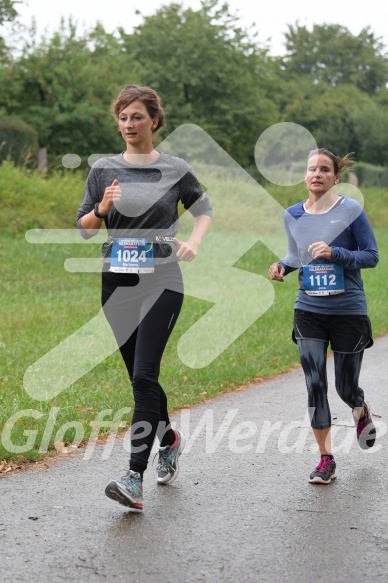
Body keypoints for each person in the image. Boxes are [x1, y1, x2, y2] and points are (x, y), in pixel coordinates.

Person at [77, 84, 212, 509]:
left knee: (142, 377)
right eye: (122, 117)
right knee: (143, 380)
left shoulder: (175, 168)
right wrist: (101, 208)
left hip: (162, 280)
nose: (128, 124)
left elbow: (203, 208)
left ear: (154, 120)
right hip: (116, 280)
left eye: (136, 116)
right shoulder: (103, 169)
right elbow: (84, 228)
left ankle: (133, 476)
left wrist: (194, 241)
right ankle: (169, 439)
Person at [268, 148, 379, 485]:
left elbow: (371, 256)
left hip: (347, 311)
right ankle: (325, 459)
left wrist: (337, 253)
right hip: (309, 309)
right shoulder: (292, 214)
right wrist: (283, 266)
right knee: (315, 384)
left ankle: (359, 408)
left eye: (324, 169)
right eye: (311, 169)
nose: (316, 174)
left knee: (345, 388)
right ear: (305, 175)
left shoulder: (351, 211)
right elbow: (295, 253)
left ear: (335, 177)